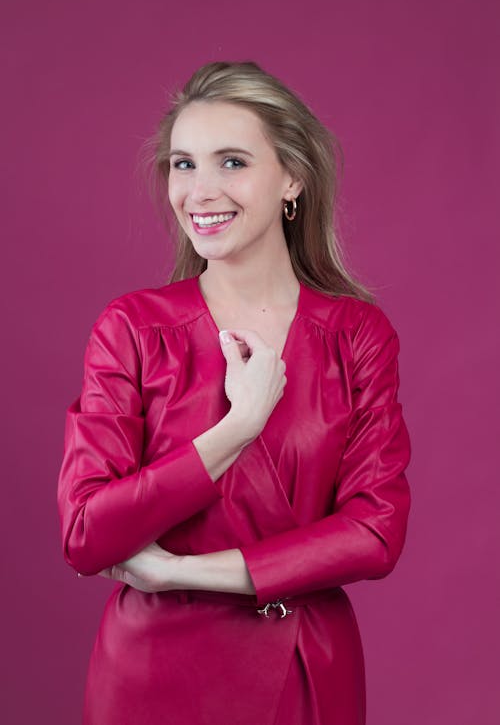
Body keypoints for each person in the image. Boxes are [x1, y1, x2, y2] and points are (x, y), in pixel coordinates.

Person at [57, 60, 411, 725]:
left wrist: (181, 573)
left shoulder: (356, 334)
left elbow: (375, 531)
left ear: (293, 179)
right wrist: (236, 428)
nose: (199, 190)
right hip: (151, 677)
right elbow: (85, 532)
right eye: (182, 164)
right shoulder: (131, 328)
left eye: (232, 161)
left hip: (304, 673)